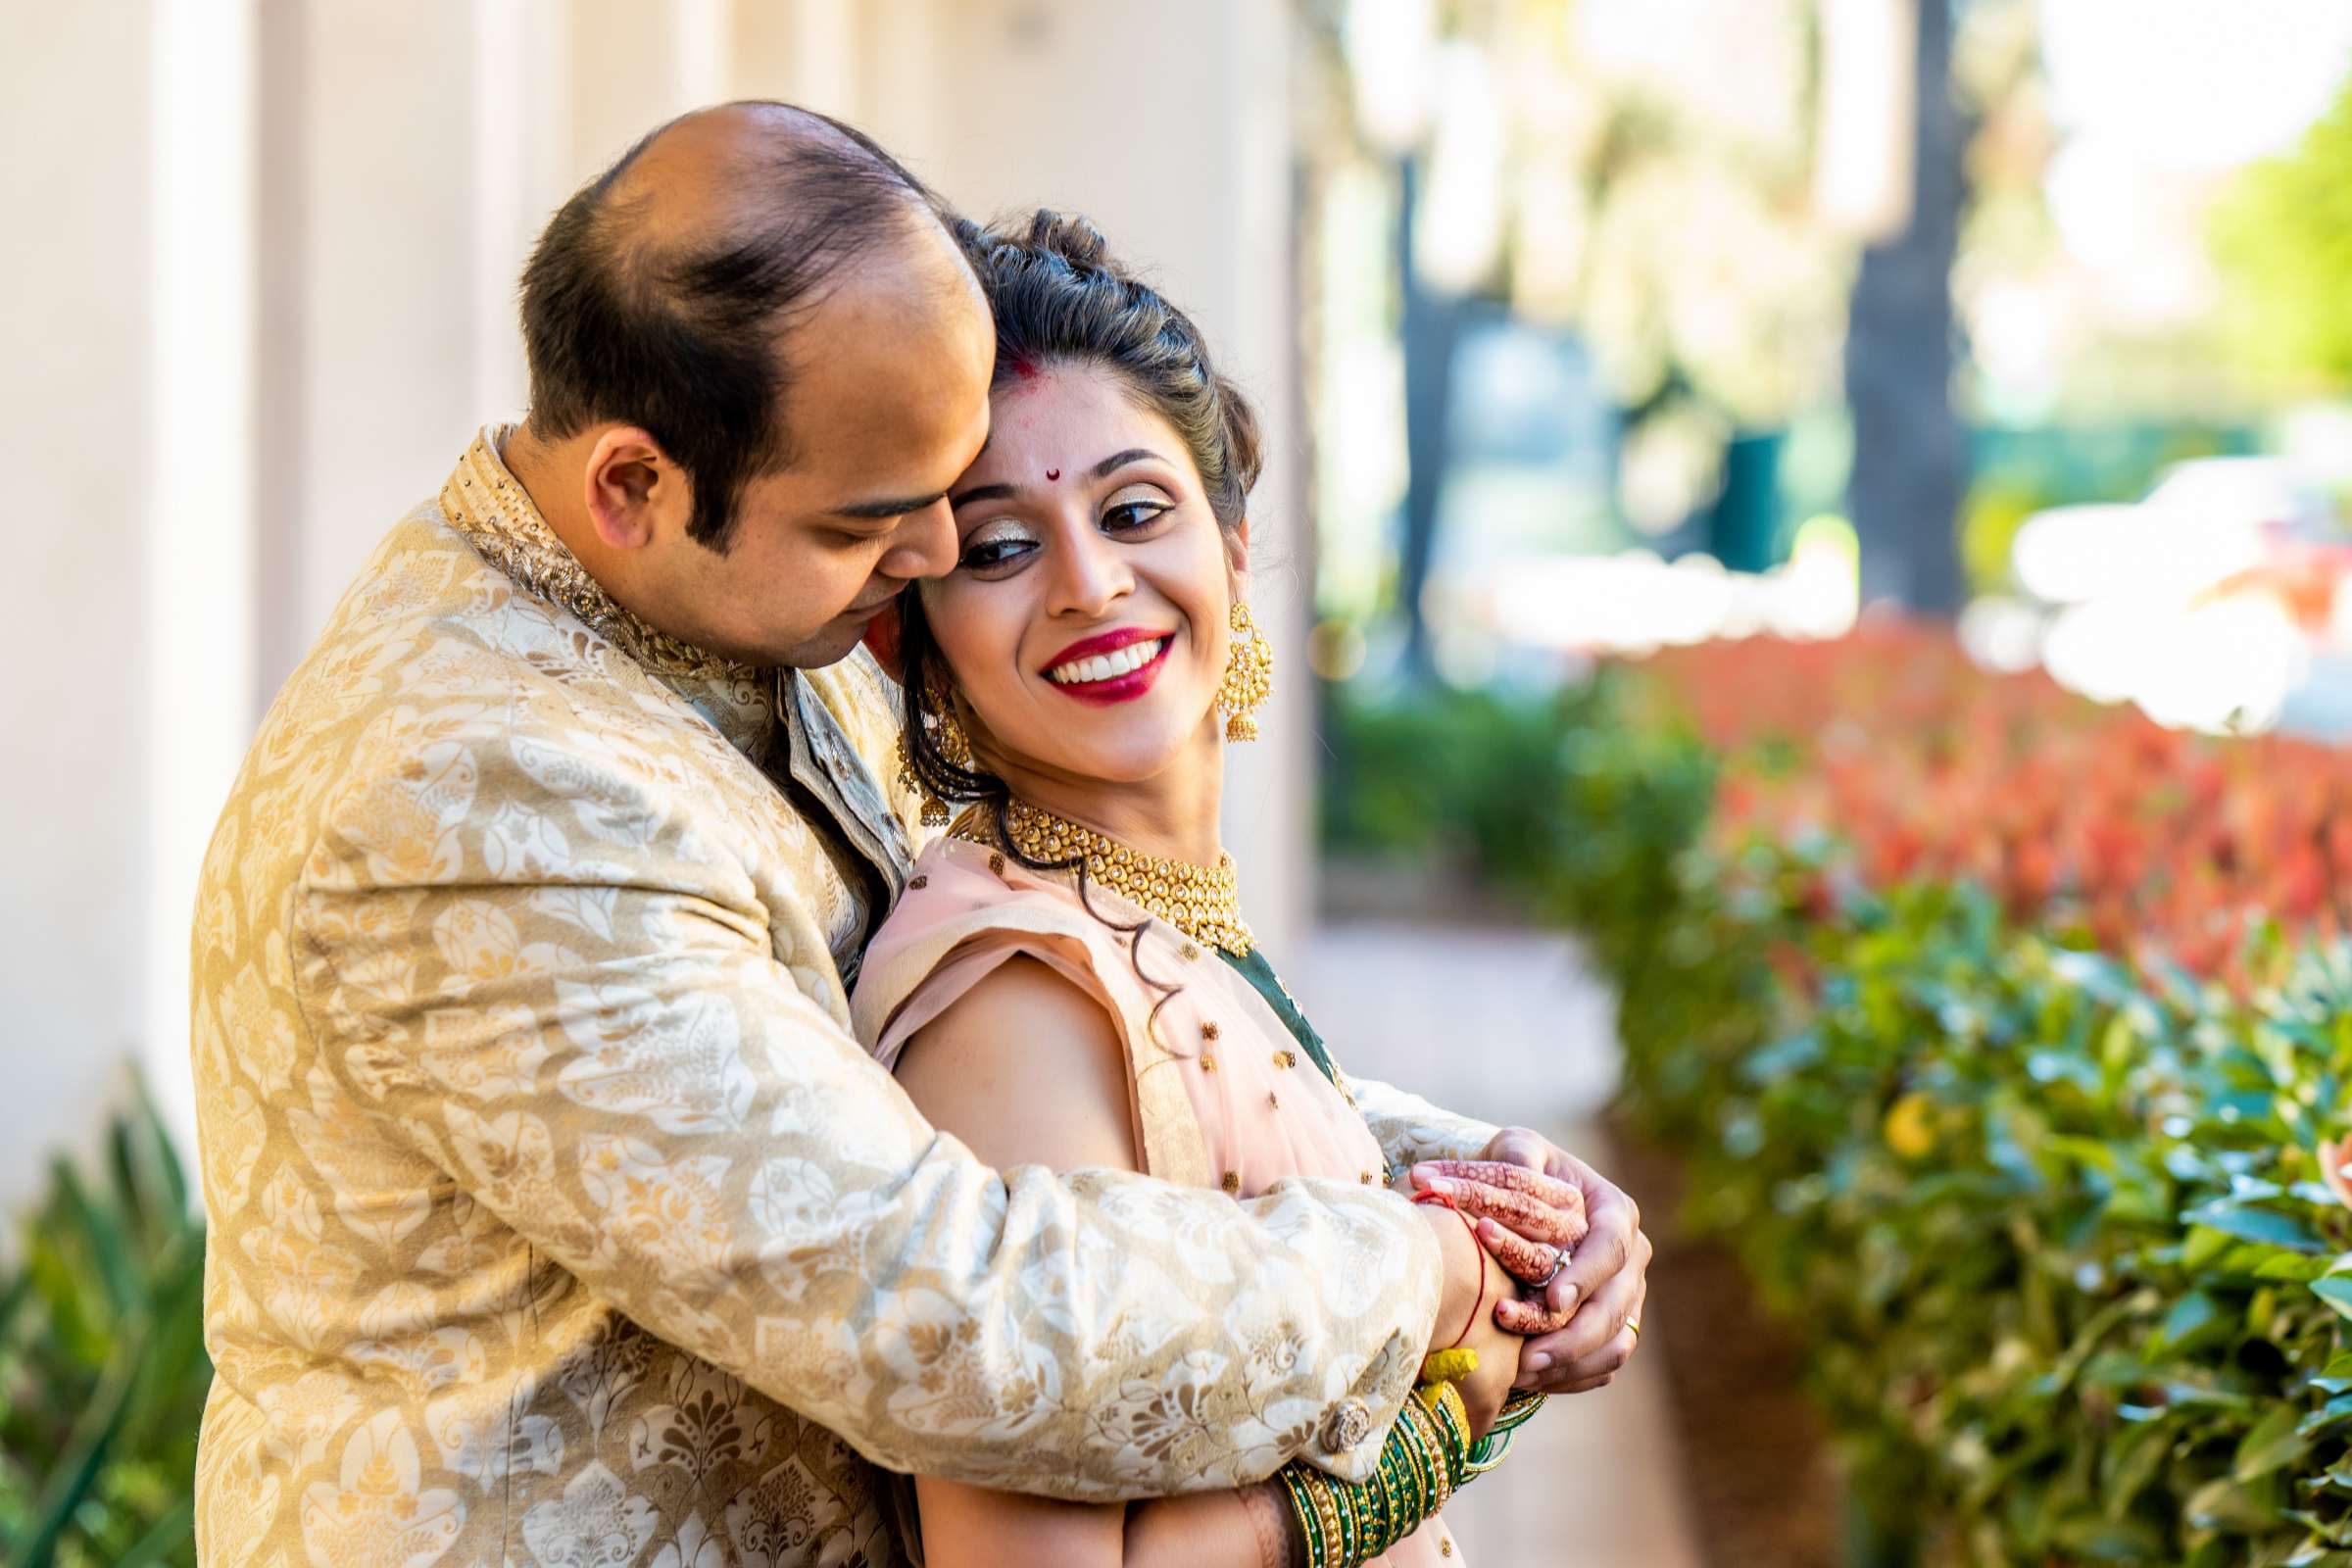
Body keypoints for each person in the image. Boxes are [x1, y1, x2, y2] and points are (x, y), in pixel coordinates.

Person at [189, 102, 1646, 1568]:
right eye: (884, 520)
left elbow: (1121, 1059)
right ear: (634, 486)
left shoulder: (734, 614)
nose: (938, 564)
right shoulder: (477, 795)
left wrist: (1485, 1184)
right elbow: (947, 1314)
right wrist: (1429, 1278)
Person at [851, 209, 1614, 1567]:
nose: (1091, 585)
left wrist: (1540, 1239)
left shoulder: (1146, 921)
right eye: (1000, 549)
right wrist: (1465, 1401)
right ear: (912, 641)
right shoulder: (1020, 996)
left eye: (1135, 510)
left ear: (1235, 541)